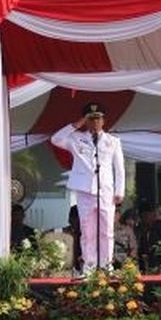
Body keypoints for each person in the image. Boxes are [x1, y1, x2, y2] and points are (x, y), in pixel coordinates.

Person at [51, 102, 125, 273]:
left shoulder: (113, 141)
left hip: (106, 190)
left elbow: (119, 168)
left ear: (104, 121)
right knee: (87, 230)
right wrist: (76, 124)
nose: (95, 122)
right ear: (86, 120)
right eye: (91, 119)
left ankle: (107, 265)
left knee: (107, 230)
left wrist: (119, 191)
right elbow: (56, 139)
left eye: (98, 118)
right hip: (84, 190)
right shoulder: (76, 138)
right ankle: (89, 266)